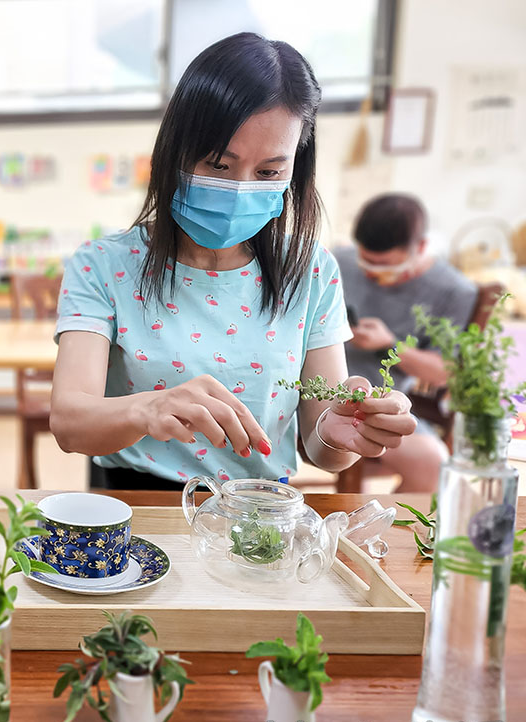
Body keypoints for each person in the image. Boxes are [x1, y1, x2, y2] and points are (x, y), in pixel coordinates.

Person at [49, 33, 417, 490]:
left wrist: (340, 431)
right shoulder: (104, 265)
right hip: (139, 509)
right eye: (219, 164)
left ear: (293, 170)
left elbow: (323, 451)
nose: (240, 187)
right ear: (175, 152)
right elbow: (69, 421)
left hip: (258, 517)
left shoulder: (310, 271)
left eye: (268, 172)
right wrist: (147, 408)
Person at [334, 193, 478, 492]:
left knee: (434, 466)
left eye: (385, 266)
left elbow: (444, 372)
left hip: (380, 404)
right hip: (312, 388)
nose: (372, 274)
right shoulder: (340, 260)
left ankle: (367, 531)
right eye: (366, 263)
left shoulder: (454, 291)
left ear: (421, 248)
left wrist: (389, 345)